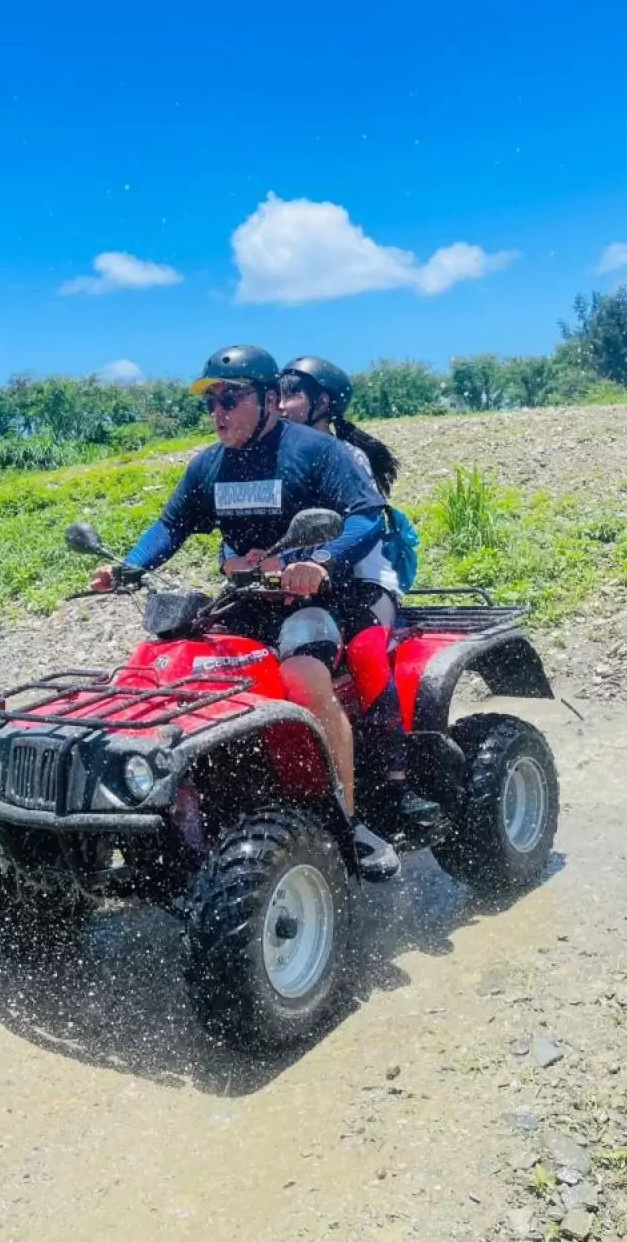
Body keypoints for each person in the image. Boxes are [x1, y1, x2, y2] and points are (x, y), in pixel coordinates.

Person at [90, 344, 400, 879]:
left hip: (313, 601)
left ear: (270, 399)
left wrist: (321, 561)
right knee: (164, 670)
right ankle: (166, 813)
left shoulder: (315, 453)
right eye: (210, 402)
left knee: (304, 678)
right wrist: (129, 568)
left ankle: (347, 819)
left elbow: (368, 516)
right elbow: (171, 526)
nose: (218, 413)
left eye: (229, 399)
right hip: (242, 603)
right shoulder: (210, 464)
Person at [279, 356, 437, 830]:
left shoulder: (347, 456)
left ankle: (396, 778)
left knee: (367, 650)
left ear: (323, 402)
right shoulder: (281, 455)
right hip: (308, 582)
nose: (283, 405)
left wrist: (319, 561)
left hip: (365, 579)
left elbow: (363, 522)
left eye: (293, 395)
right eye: (278, 395)